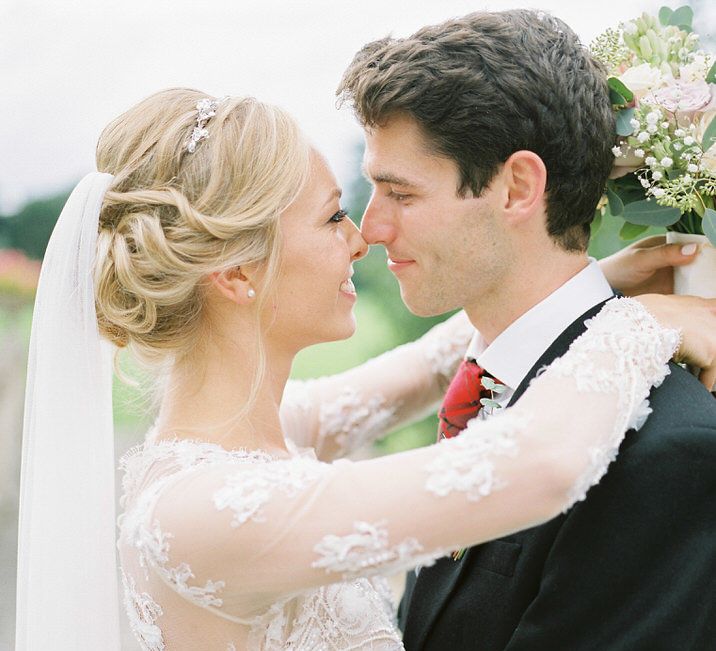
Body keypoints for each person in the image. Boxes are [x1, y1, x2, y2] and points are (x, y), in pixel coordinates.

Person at [13, 88, 715, 651]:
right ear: (234, 273)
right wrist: (643, 325)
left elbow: (421, 371)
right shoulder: (202, 513)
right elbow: (539, 466)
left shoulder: (242, 437)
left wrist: (585, 285)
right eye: (331, 220)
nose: (362, 239)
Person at [337, 9, 716, 650]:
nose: (369, 229)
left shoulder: (668, 451)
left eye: (399, 193)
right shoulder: (479, 386)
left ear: (517, 187)